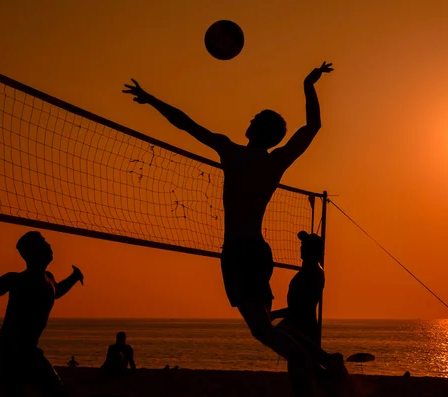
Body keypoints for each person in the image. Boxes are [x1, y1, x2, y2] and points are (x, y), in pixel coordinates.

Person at [122, 62, 350, 388]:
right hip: (254, 251)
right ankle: (326, 364)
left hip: (241, 253)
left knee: (263, 330)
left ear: (260, 131)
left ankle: (326, 369)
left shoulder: (233, 152)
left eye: (254, 120)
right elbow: (312, 126)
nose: (249, 121)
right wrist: (308, 85)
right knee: (266, 329)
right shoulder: (274, 161)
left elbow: (186, 124)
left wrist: (151, 100)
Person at [0, 231, 84, 397]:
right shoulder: (17, 280)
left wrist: (74, 277)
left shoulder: (49, 279)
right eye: (43, 243)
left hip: (29, 350)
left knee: (55, 390)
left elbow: (56, 291)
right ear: (34, 253)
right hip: (8, 350)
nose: (49, 245)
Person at [271, 231, 325, 395]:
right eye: (302, 244)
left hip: (304, 332)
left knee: (302, 381)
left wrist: (275, 314)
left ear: (313, 252)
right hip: (300, 330)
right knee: (299, 381)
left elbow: (300, 309)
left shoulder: (312, 275)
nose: (301, 248)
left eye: (305, 245)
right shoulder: (309, 273)